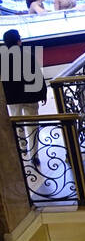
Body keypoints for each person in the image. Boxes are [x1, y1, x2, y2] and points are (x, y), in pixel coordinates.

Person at [2, 27, 47, 163]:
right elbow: (38, 76)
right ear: (18, 41)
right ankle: (35, 155)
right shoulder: (28, 55)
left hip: (12, 98)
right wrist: (43, 93)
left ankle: (22, 147)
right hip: (30, 96)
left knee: (17, 123)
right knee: (33, 125)